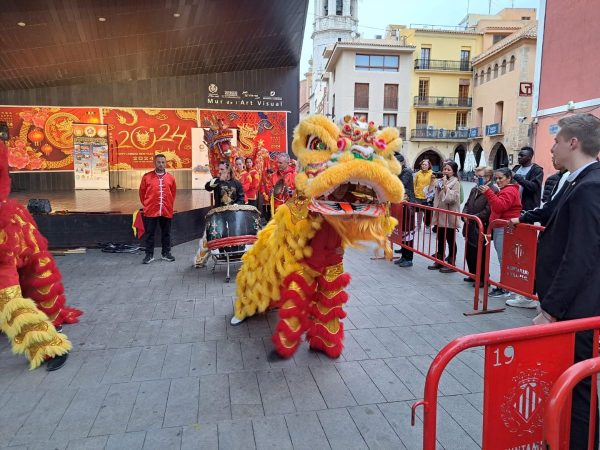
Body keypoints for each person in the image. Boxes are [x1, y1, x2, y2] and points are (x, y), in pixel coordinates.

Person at [533, 113, 600, 449]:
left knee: (579, 389)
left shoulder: (591, 186)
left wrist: (550, 309)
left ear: (573, 142)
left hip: (579, 309)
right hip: (572, 307)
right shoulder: (577, 180)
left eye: (557, 140)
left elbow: (581, 256)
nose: (552, 147)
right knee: (570, 383)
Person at [478, 167, 522, 298]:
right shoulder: (507, 190)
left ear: (508, 178)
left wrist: (489, 193)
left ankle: (506, 287)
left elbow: (499, 206)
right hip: (502, 227)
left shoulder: (509, 190)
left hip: (504, 228)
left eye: (500, 178)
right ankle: (506, 285)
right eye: (496, 178)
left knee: (504, 258)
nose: (497, 181)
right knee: (504, 258)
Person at [139, 154, 177, 264]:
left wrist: (168, 204)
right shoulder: (146, 177)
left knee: (166, 233)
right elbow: (142, 193)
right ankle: (149, 255)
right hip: (151, 210)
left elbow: (173, 193)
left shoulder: (170, 178)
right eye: (158, 162)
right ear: (154, 163)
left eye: (163, 162)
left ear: (166, 163)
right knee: (150, 233)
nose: (161, 164)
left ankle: (166, 253)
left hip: (166, 209)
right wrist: (147, 204)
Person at [427, 161, 461, 273]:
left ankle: (452, 263)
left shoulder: (456, 183)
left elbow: (452, 199)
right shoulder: (440, 181)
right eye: (444, 169)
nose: (445, 171)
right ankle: (440, 259)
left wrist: (446, 186)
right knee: (440, 238)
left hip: (450, 215)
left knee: (451, 239)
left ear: (454, 171)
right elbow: (429, 194)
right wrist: (432, 182)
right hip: (440, 214)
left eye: (448, 169)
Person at [461, 166, 492, 287]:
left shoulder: (492, 189)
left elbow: (488, 210)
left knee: (481, 253)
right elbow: (468, 203)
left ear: (488, 177)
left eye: (479, 177)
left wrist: (474, 217)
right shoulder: (475, 189)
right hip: (470, 224)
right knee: (470, 251)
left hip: (481, 225)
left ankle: (483, 278)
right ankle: (473, 273)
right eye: (476, 176)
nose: (476, 179)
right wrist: (465, 213)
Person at [394, 153, 416, 267]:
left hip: (408, 205)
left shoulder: (406, 172)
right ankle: (403, 256)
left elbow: (401, 185)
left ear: (402, 163)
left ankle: (409, 258)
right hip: (401, 205)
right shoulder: (398, 172)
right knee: (403, 231)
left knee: (408, 232)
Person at [512, 146, 544, 211]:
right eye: (519, 155)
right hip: (514, 205)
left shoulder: (537, 170)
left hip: (528, 207)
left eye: (522, 155)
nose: (519, 157)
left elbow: (534, 187)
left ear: (530, 157)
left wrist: (516, 177)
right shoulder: (516, 168)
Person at [414, 159, 433, 231]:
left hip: (427, 196)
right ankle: (418, 226)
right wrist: (415, 192)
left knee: (427, 212)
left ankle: (427, 226)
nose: (424, 166)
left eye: (426, 165)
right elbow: (414, 184)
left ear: (429, 166)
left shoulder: (432, 173)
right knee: (419, 212)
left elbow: (433, 184)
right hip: (418, 196)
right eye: (423, 164)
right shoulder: (418, 173)